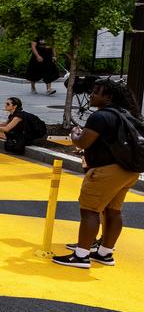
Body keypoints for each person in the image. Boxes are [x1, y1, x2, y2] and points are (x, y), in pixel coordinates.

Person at [53, 78, 144, 268]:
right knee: (113, 211)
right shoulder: (125, 114)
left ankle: (81, 255)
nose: (91, 95)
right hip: (129, 170)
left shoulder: (100, 117)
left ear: (108, 96)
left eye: (96, 92)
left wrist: (75, 134)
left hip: (106, 171)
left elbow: (83, 142)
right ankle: (105, 253)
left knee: (89, 211)